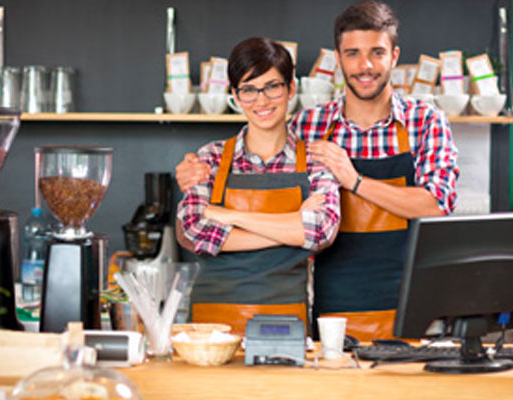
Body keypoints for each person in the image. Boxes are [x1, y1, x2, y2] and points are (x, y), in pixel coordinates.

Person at [175, 1, 459, 340]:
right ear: (337, 59)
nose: (364, 65)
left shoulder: (425, 120)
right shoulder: (308, 125)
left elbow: (437, 205)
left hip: (413, 301)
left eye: (377, 52)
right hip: (332, 307)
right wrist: (191, 173)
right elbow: (260, 142)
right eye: (352, 53)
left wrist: (353, 180)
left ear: (394, 56)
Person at [176, 37, 341, 334]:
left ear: (291, 89)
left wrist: (232, 216)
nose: (261, 101)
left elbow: (320, 231)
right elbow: (194, 231)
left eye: (272, 86)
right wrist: (291, 228)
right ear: (236, 96)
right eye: (249, 90)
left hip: (285, 321)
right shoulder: (210, 158)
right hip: (210, 324)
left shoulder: (316, 162)